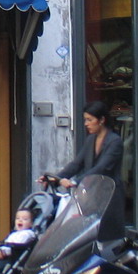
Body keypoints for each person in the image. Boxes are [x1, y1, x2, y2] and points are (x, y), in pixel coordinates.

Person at [47, 99, 126, 240]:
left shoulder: (115, 141)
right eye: (85, 120)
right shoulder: (90, 140)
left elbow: (102, 168)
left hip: (109, 197)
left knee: (109, 237)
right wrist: (55, 177)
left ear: (101, 120)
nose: (86, 124)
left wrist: (76, 182)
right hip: (92, 197)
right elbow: (77, 164)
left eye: (90, 120)